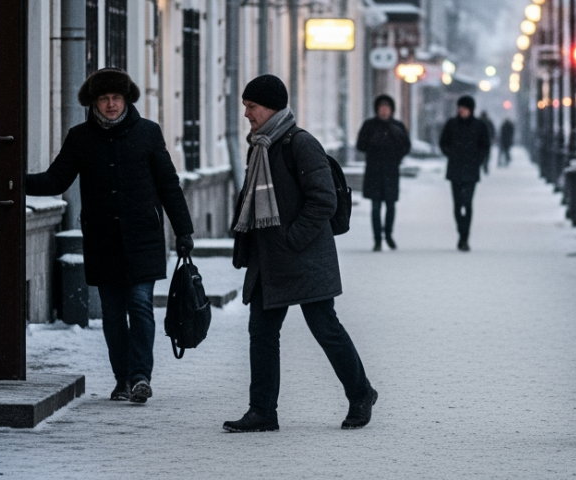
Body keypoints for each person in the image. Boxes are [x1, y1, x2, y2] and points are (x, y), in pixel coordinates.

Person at [26, 68, 195, 405]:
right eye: (103, 99)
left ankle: (141, 377)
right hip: (103, 239)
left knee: (141, 305)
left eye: (116, 98)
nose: (111, 104)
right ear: (94, 103)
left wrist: (184, 230)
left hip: (143, 237)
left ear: (126, 99)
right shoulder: (80, 137)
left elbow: (168, 185)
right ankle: (122, 379)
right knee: (114, 314)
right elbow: (56, 180)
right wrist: (16, 182)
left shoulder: (148, 133)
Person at [225, 74, 377, 433]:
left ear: (271, 107)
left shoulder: (299, 143)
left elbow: (323, 198)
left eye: (252, 107)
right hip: (269, 259)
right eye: (245, 106)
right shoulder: (259, 145)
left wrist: (294, 239)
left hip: (304, 256)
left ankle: (361, 393)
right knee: (261, 332)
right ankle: (262, 411)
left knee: (325, 328)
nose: (246, 113)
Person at [356, 94, 411, 252]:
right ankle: (377, 239)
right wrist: (373, 142)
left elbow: (406, 146)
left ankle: (388, 234)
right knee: (375, 206)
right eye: (381, 108)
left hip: (391, 171)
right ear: (377, 110)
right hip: (374, 171)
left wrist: (396, 156)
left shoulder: (397, 126)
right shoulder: (369, 125)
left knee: (391, 205)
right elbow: (361, 145)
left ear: (392, 110)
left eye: (387, 108)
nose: (384, 111)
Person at [438, 96, 491, 251]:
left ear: (471, 109)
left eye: (464, 108)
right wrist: (451, 154)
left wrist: (477, 160)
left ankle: (465, 237)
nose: (461, 110)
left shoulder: (479, 126)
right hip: (455, 169)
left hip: (471, 170)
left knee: (467, 203)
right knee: (457, 204)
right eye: (460, 107)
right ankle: (461, 231)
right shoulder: (451, 124)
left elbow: (485, 146)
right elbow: (443, 142)